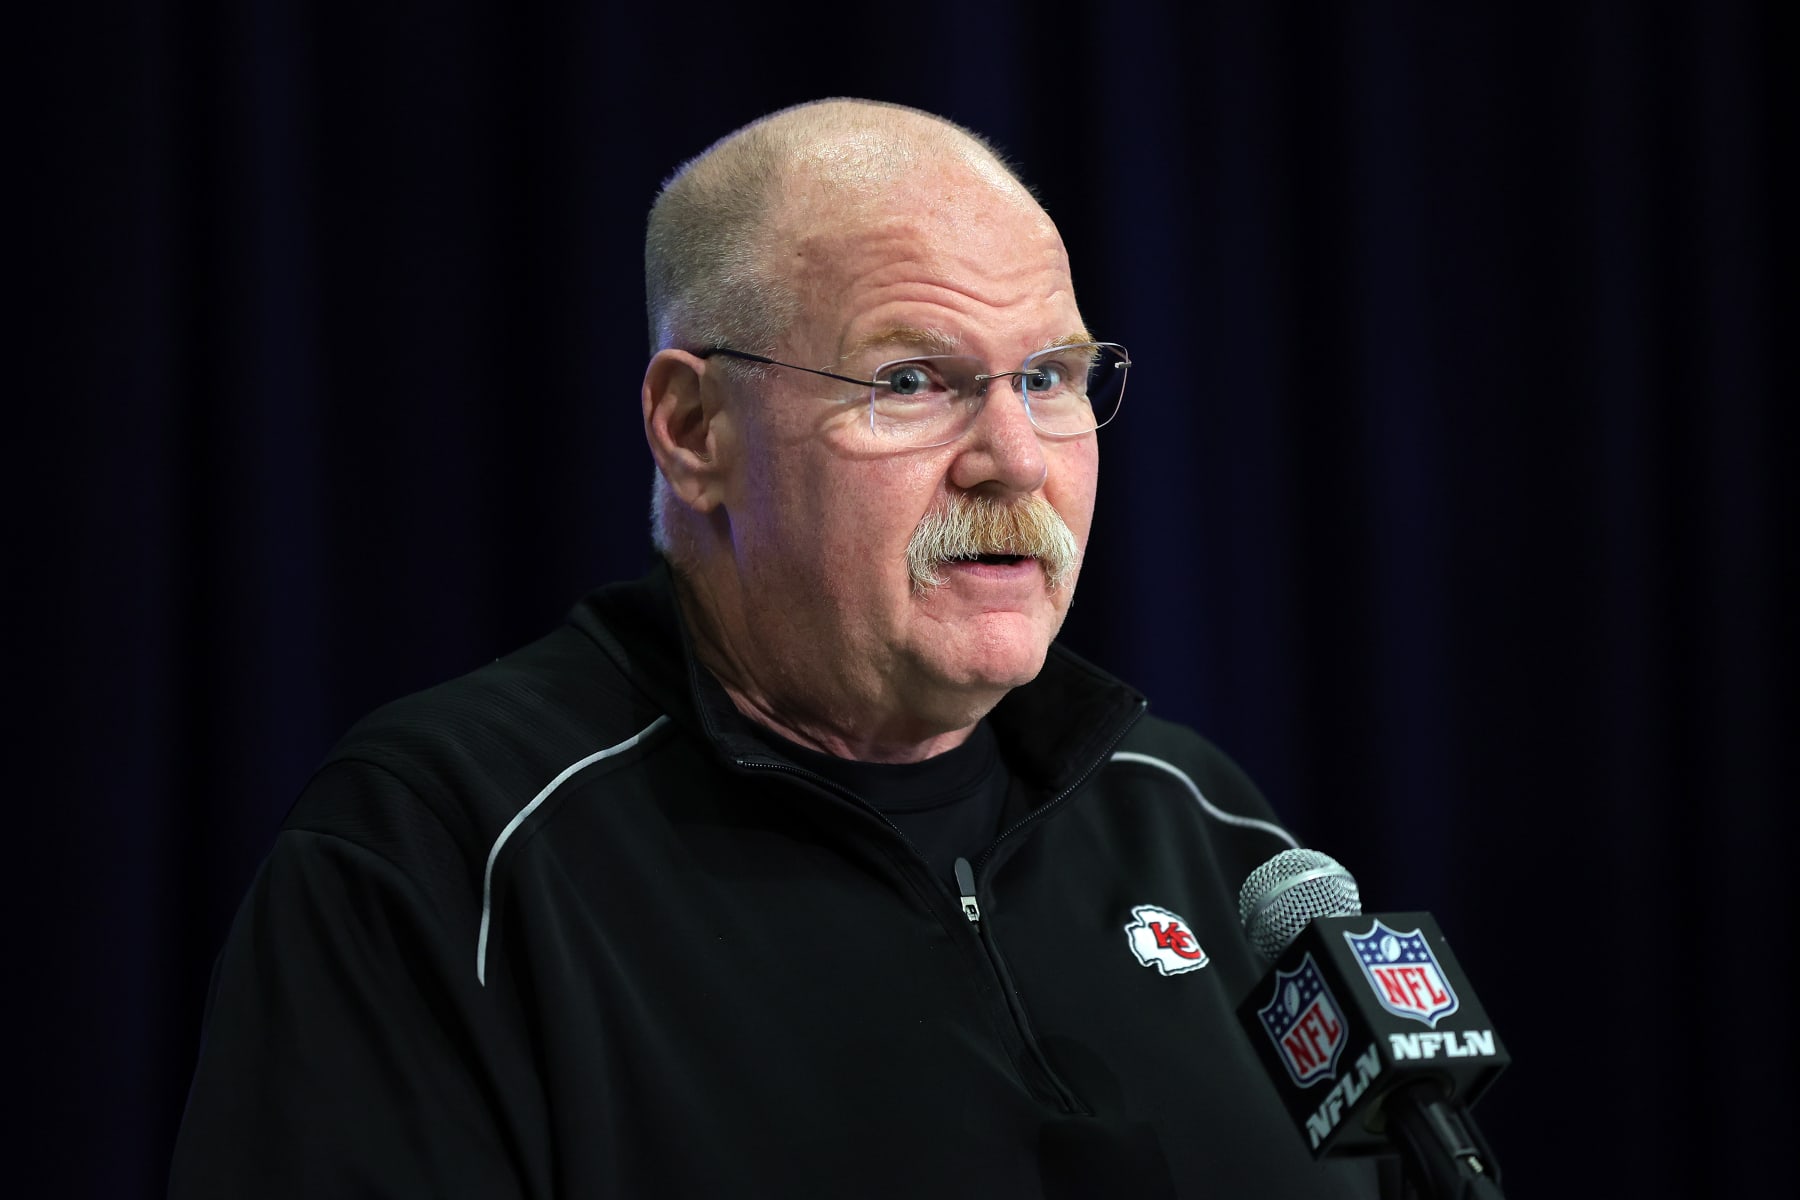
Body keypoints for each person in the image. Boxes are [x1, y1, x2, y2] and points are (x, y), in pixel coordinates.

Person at [170, 98, 1392, 1197]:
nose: (1017, 460)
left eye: (1050, 376)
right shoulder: (444, 854)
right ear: (695, 427)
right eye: (911, 380)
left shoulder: (1213, 833)